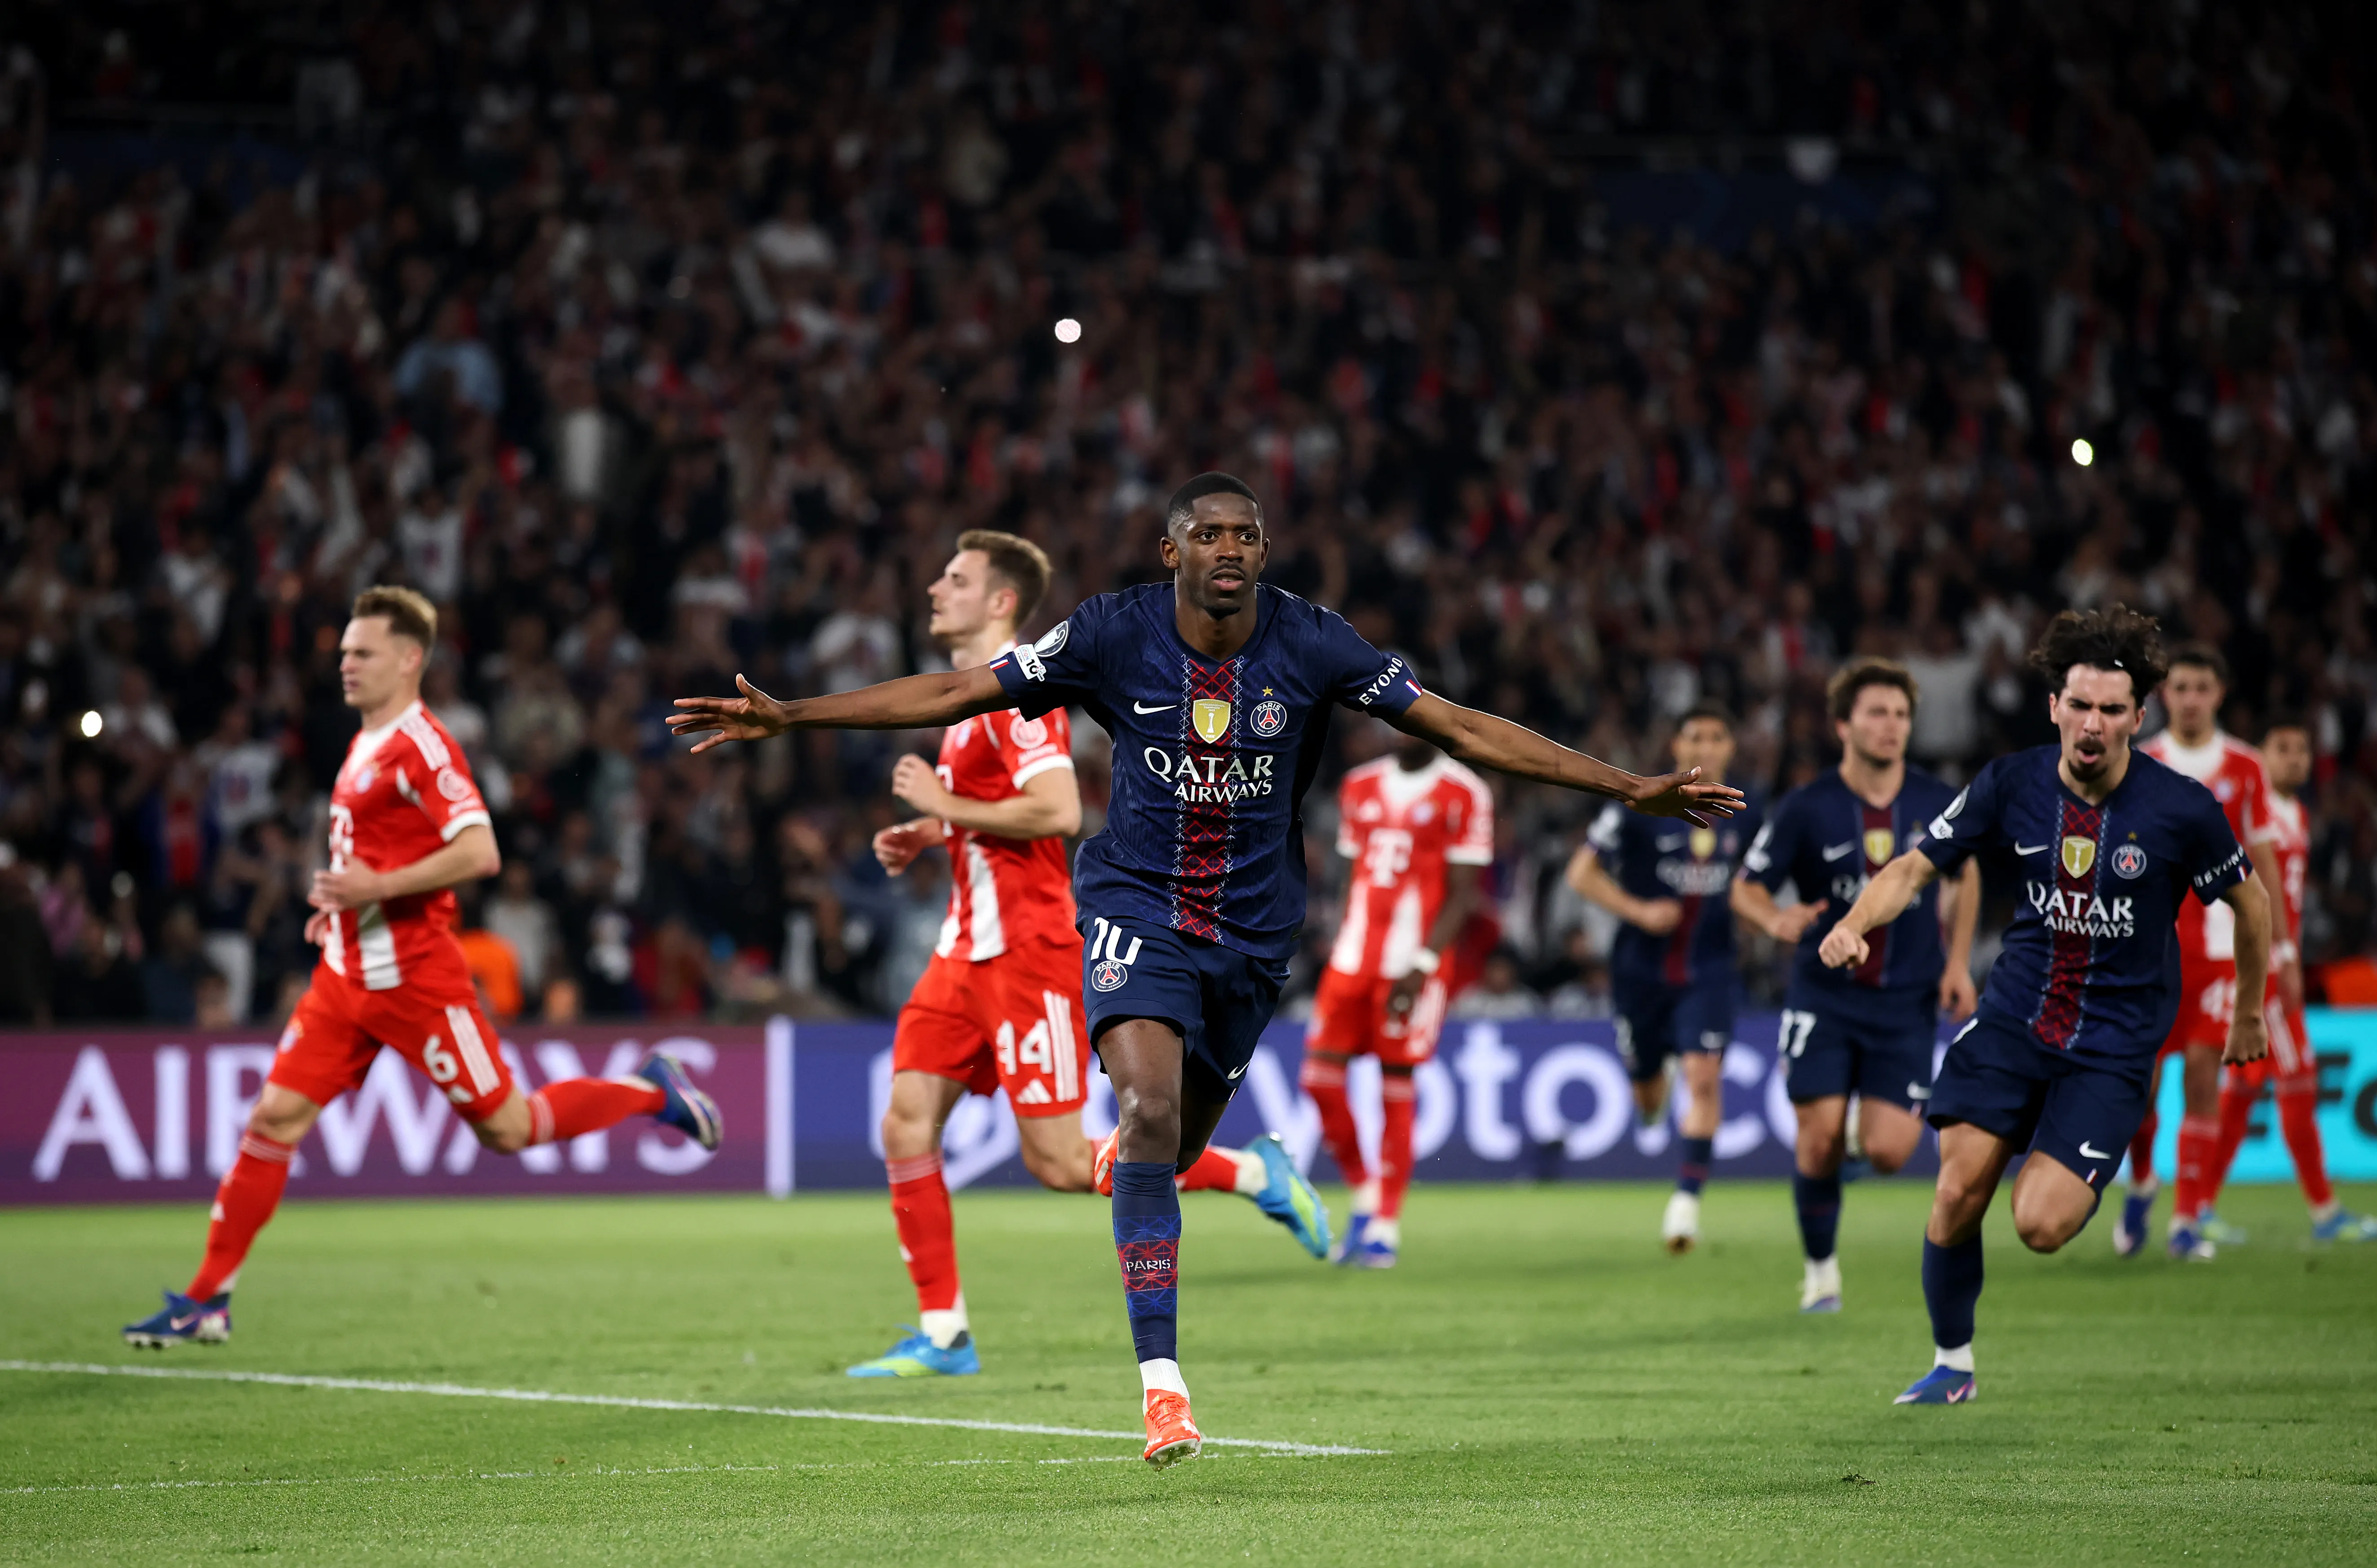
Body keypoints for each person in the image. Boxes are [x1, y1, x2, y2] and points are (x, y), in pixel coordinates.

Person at [670, 472, 1742, 1463]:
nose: (1229, 547)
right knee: (1138, 1114)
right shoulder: (1109, 630)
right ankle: (1162, 1383)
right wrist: (794, 714)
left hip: (1253, 935)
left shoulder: (1314, 641)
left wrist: (1624, 785)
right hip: (1133, 904)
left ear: (1262, 551)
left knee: (1172, 1142)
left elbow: (1458, 727)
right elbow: (960, 692)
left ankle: (1238, 1175)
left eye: (1246, 534)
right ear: (1171, 546)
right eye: (1209, 533)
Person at [123, 587, 720, 1349]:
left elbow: (480, 850)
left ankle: (651, 1092)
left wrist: (374, 889)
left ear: (410, 660)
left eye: (362, 652)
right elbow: (372, 853)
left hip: (417, 981)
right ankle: (207, 1299)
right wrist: (344, 905)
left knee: (510, 1127)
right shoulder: (364, 741)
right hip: (346, 978)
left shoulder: (422, 746)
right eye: (343, 651)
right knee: (273, 1118)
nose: (346, 663)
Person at [845, 532, 1323, 1380]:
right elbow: (1004, 815)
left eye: (954, 579)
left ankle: (1252, 1171)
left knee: (1063, 1163)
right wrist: (938, 826)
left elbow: (1059, 810)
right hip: (963, 949)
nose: (932, 588)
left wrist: (942, 799)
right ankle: (945, 1331)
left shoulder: (1015, 700)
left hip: (1029, 952)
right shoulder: (974, 711)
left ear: (999, 602)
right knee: (905, 1123)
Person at [1816, 606, 2269, 1405]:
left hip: (2113, 1042)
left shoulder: (2180, 808)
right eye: (2079, 704)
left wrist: (2247, 1013)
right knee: (1957, 1191)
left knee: (2040, 1225)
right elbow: (1916, 869)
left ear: (2138, 716)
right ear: (2053, 705)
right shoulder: (2009, 782)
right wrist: (1852, 924)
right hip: (2014, 1019)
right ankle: (1952, 1366)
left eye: (2111, 709)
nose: (2092, 722)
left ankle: (2085, 1159)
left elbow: (2252, 903)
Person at [1733, 659, 1979, 1313]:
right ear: (1843, 725)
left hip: (1907, 999)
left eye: (1901, 714)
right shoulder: (1807, 807)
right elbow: (1746, 886)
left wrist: (1958, 963)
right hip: (1826, 993)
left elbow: (1966, 875)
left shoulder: (1937, 802)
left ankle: (1849, 1138)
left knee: (1891, 1151)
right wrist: (1773, 918)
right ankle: (1820, 1272)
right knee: (1816, 1139)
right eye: (1876, 713)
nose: (1891, 726)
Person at [1564, 704, 1761, 1252]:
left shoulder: (1751, 810)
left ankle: (1685, 1205)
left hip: (1712, 970)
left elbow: (1760, 880)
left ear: (1730, 748)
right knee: (1649, 1095)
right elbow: (1580, 872)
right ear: (1677, 747)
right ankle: (1655, 1080)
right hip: (1641, 972)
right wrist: (1638, 911)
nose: (1705, 747)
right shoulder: (1641, 801)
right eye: (1695, 737)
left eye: (1717, 737)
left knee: (1704, 1077)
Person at [1302, 719, 1494, 1268]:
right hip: (1353, 959)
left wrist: (1425, 964)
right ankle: (1364, 1191)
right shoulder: (1358, 785)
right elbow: (1352, 874)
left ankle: (1385, 1223)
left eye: (1411, 718)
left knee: (1395, 1085)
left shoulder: (1464, 792)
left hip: (1413, 964)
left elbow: (1464, 893)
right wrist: (1340, 936)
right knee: (1318, 1080)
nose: (1399, 728)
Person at [2124, 646, 2288, 1259]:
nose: (2190, 698)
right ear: (2164, 695)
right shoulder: (2142, 763)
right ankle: (2142, 1178)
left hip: (2221, 949)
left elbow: (2263, 857)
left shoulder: (2246, 767)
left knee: (2201, 1076)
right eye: (2181, 687)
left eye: (2202, 688)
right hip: (2153, 949)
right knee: (2142, 1087)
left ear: (2218, 694)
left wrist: (2284, 948)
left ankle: (2186, 1221)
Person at [2198, 715, 2377, 1242]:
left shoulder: (2296, 812)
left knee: (2246, 1090)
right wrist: (2279, 957)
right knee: (2295, 1080)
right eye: (2283, 749)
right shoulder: (2252, 817)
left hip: (2278, 963)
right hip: (2265, 971)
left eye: (2302, 749)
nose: (2295, 758)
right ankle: (2323, 1211)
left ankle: (2200, 1207)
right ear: (2260, 757)